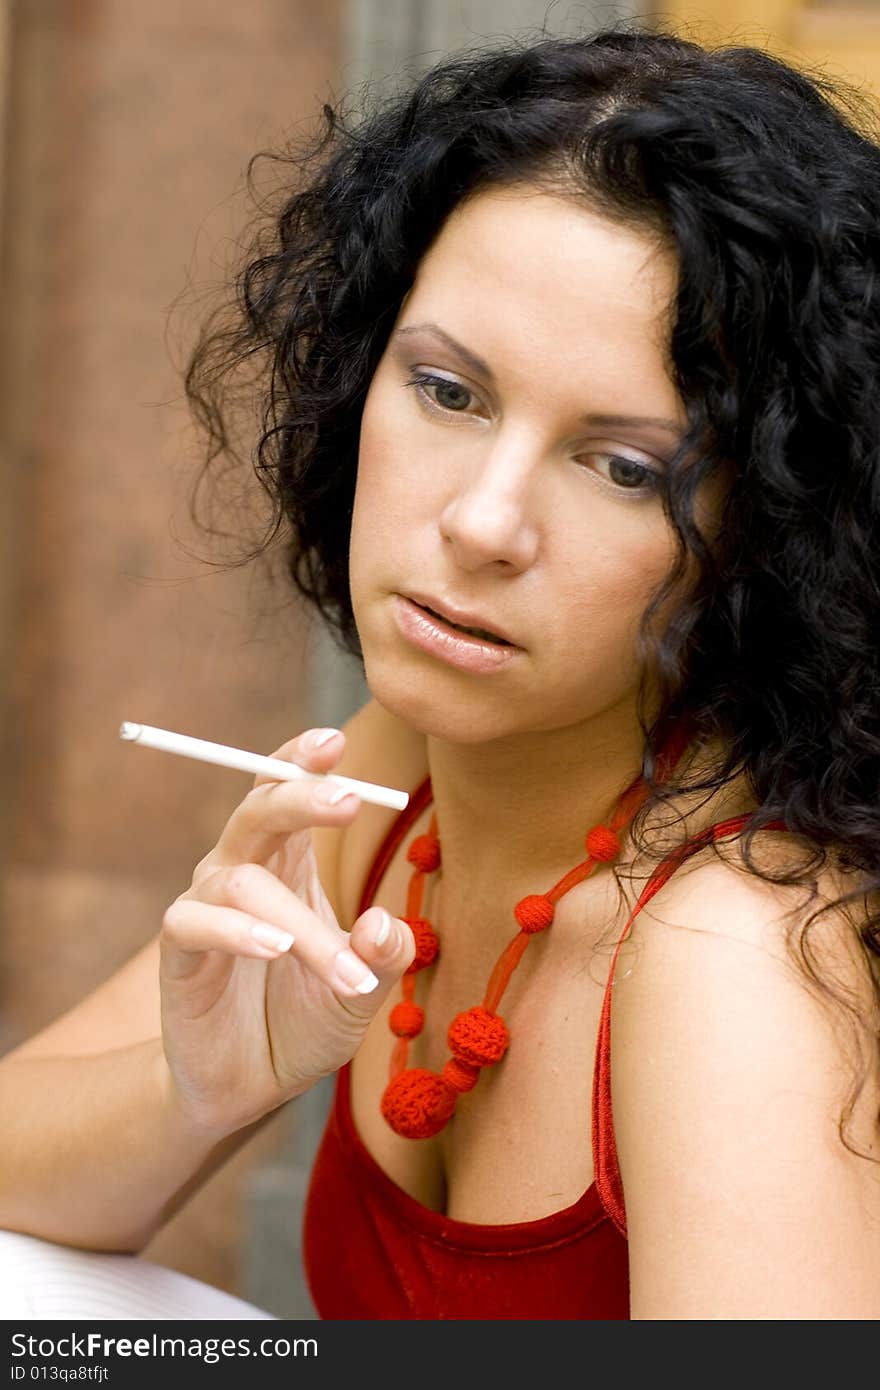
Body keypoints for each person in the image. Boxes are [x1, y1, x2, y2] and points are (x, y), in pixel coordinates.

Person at [2, 24, 879, 1321]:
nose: (481, 521)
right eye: (450, 390)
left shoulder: (726, 953)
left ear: (766, 525)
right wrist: (203, 1089)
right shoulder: (405, 767)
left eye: (624, 465)